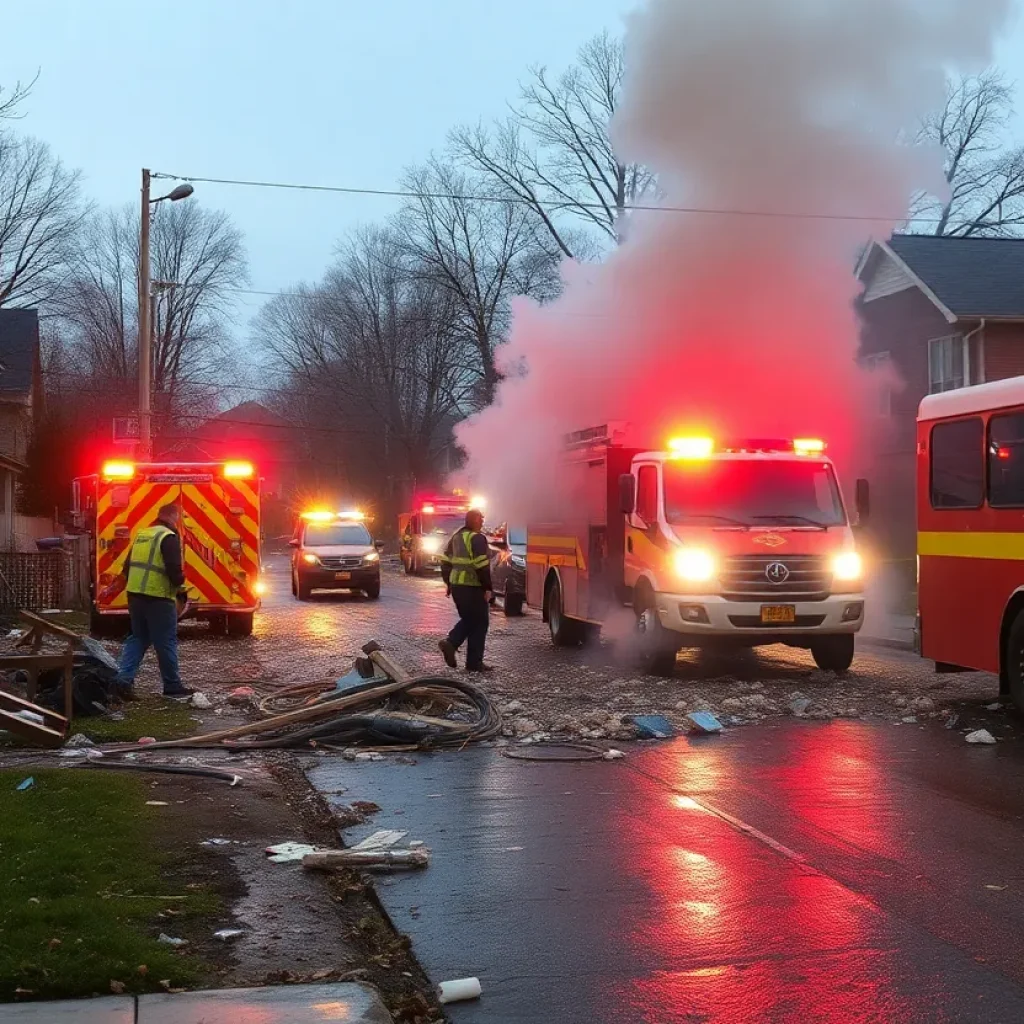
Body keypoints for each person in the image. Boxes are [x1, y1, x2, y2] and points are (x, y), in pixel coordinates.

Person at [114, 503, 194, 701]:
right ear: (174, 517)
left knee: (138, 638)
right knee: (165, 641)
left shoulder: (143, 535)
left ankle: (123, 681)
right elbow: (174, 571)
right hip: (158, 597)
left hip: (135, 595)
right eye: (179, 518)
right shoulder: (169, 537)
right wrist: (181, 589)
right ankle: (172, 686)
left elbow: (127, 566)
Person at [438, 508, 494, 673]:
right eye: (481, 518)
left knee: (473, 621)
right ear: (475, 519)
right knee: (478, 620)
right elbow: (481, 566)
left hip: (457, 587)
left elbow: (445, 561)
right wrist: (488, 588)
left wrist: (448, 582)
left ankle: (473, 664)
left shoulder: (456, 537)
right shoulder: (477, 538)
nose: (483, 521)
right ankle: (451, 642)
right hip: (472, 586)